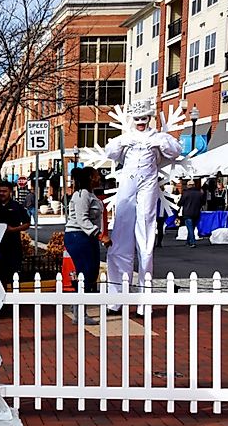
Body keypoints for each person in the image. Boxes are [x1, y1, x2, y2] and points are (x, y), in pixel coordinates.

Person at [104, 98, 181, 310]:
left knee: (146, 237)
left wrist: (159, 143)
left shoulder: (158, 136)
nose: (140, 122)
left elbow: (176, 150)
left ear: (149, 118)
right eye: (137, 118)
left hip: (148, 184)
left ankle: (143, 301)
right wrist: (122, 143)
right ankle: (117, 297)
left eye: (144, 118)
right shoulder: (126, 137)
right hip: (128, 182)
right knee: (120, 235)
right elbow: (109, 152)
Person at [64, 167, 111, 324]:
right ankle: (79, 312)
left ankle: (77, 305)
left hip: (87, 238)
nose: (99, 178)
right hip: (78, 236)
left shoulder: (90, 195)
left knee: (91, 272)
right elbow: (82, 219)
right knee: (85, 273)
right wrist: (100, 235)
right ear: (90, 178)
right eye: (97, 176)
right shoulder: (81, 195)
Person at [0, 181, 31, 287]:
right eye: (0, 191)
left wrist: (13, 229)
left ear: (10, 192)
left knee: (14, 276)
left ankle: (14, 300)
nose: (2, 193)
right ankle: (3, 301)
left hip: (14, 246)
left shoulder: (17, 206)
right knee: (1, 275)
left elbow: (27, 223)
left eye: (4, 191)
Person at [178, 180, 204, 248]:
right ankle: (188, 241)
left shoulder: (186, 193)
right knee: (192, 228)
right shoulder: (199, 193)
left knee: (190, 228)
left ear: (188, 185)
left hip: (187, 213)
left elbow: (181, 202)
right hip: (196, 212)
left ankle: (192, 242)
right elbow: (203, 202)